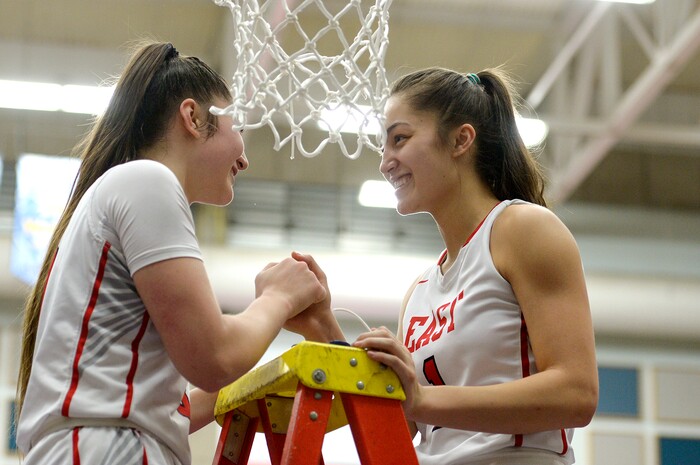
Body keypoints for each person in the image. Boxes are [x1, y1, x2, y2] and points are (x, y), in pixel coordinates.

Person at [15, 41, 343, 465]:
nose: (245, 158)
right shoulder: (146, 180)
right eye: (238, 128)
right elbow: (215, 359)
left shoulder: (120, 190)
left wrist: (286, 348)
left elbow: (180, 400)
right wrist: (277, 298)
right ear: (192, 117)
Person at [353, 68, 598, 464]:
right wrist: (324, 332)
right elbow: (397, 425)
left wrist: (424, 397)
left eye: (399, 139)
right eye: (383, 147)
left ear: (461, 140)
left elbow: (577, 394)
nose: (385, 162)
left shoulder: (522, 229)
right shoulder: (419, 291)